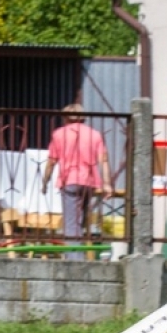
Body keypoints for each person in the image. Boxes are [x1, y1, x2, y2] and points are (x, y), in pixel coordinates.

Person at [40, 103, 112, 259]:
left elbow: (51, 162)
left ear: (65, 118)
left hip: (70, 181)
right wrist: (107, 184)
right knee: (80, 222)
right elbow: (104, 160)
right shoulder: (95, 135)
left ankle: (75, 261)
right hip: (89, 182)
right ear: (83, 118)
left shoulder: (59, 134)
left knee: (71, 225)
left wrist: (45, 182)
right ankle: (81, 256)